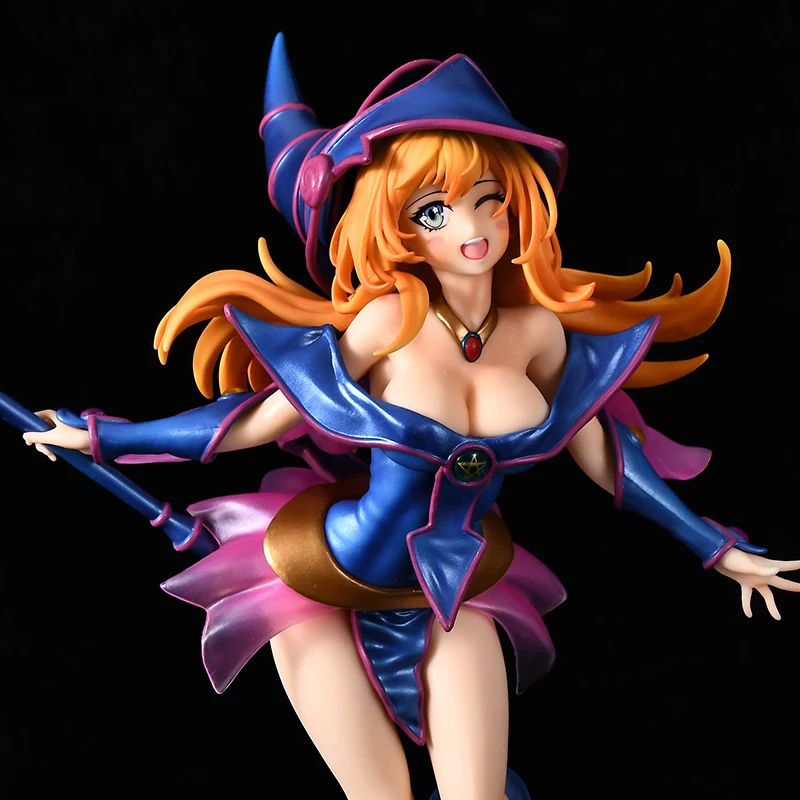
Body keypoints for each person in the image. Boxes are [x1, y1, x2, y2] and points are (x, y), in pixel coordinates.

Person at [20, 33, 800, 800]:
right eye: (435, 210)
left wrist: (714, 547)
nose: (472, 227)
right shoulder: (385, 323)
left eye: (489, 199)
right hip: (317, 587)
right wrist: (105, 436)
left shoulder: (539, 334)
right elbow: (259, 419)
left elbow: (606, 453)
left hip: (456, 592)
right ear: (395, 224)